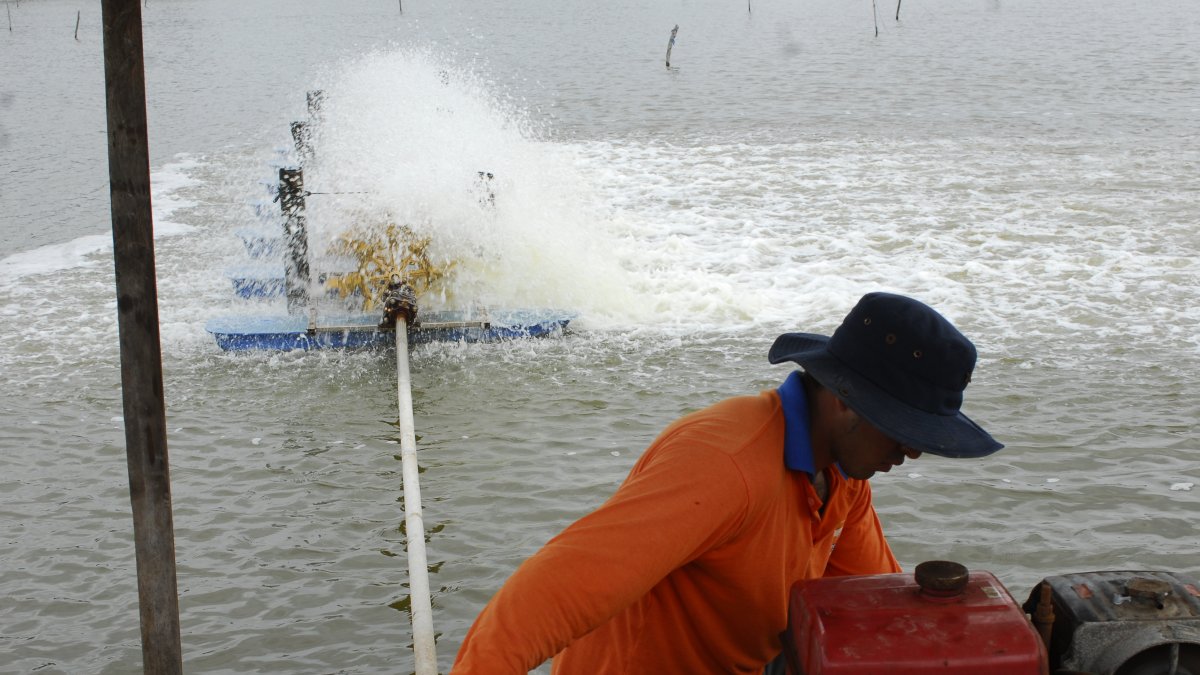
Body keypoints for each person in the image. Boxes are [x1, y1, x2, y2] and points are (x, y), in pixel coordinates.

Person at [452, 292, 1003, 674]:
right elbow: (555, 587)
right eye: (904, 429)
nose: (911, 450)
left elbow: (871, 604)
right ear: (845, 401)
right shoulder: (723, 463)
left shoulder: (842, 476)